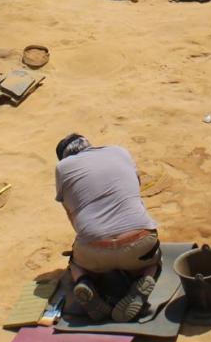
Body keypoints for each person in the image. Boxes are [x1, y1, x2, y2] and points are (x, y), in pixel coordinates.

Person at [54, 133, 159, 323]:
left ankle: (84, 281)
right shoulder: (119, 151)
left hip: (94, 251)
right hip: (138, 244)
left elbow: (71, 214)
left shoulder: (63, 168)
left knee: (75, 264)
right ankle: (143, 279)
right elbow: (136, 187)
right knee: (153, 261)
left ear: (64, 157)